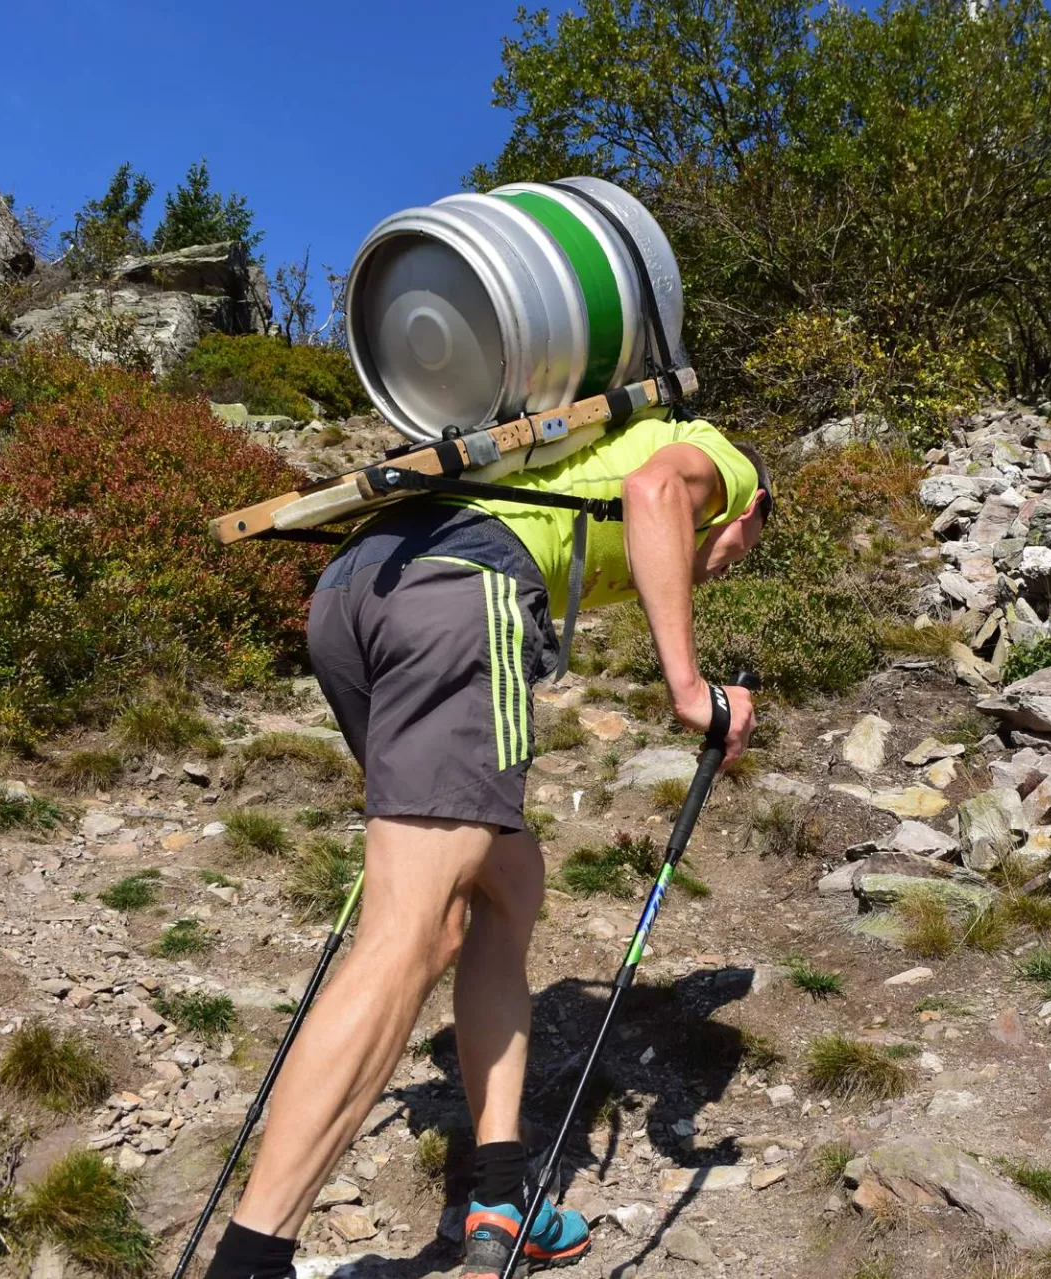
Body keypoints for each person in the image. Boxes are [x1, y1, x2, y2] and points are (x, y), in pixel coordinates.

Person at [200, 406, 771, 1279]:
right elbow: (656, 491)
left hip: (359, 586)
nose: (725, 566)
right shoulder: (718, 460)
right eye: (740, 552)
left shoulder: (562, 442)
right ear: (753, 509)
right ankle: (250, 1260)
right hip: (464, 591)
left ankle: (502, 1192)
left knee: (508, 882)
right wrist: (691, 688)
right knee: (410, 931)